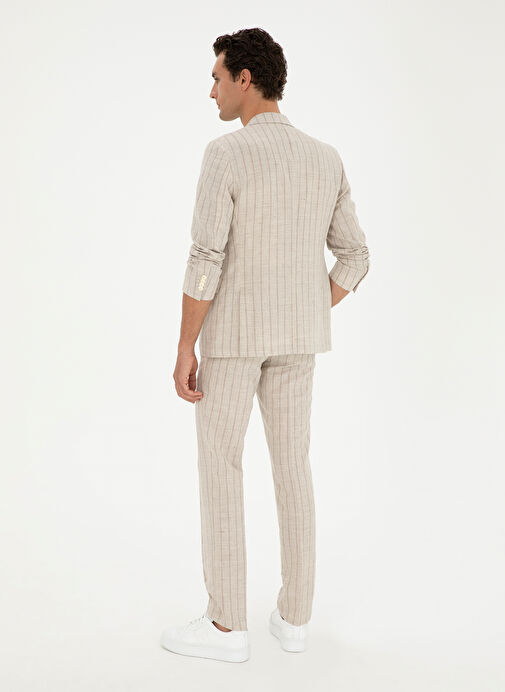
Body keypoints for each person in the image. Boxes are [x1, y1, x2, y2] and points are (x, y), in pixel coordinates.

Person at [161, 27, 370, 663]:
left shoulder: (226, 154)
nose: (212, 91)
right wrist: (306, 306)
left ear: (245, 79)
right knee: (293, 468)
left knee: (221, 467)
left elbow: (206, 256)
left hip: (231, 342)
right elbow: (356, 256)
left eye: (217, 78)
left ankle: (226, 627)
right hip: (298, 342)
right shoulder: (325, 157)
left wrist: (185, 346)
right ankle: (294, 619)